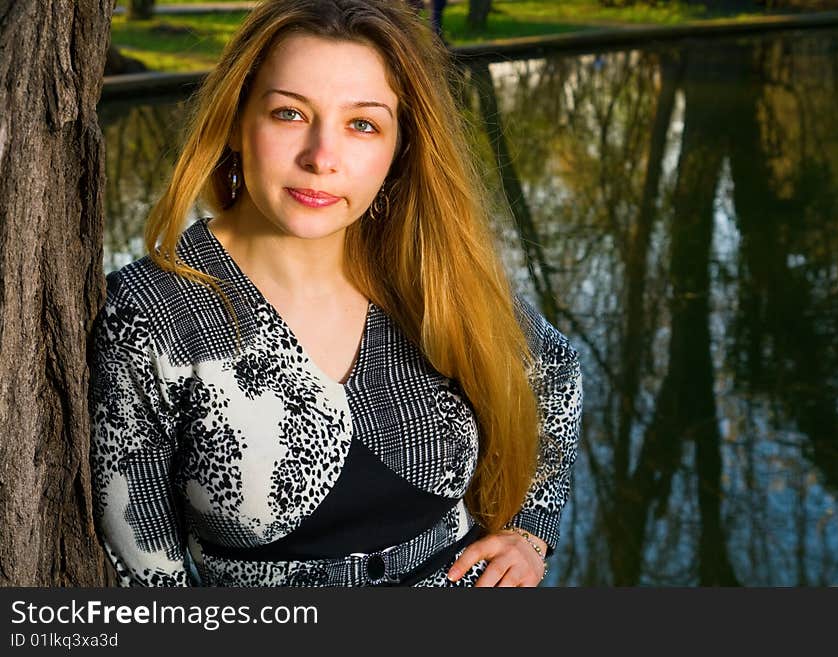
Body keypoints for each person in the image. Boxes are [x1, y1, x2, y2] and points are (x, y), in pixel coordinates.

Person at [88, 0, 583, 588]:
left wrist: (530, 532)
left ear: (399, 149)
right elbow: (150, 582)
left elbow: (555, 372)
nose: (322, 158)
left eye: (363, 124)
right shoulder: (149, 315)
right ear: (237, 121)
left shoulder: (426, 270)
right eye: (289, 114)